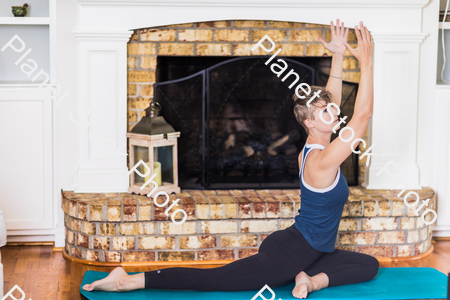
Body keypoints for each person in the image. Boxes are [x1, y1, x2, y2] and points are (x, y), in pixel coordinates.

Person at [82, 19, 378, 299]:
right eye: (325, 112)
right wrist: (366, 61)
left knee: (369, 266)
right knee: (214, 280)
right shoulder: (321, 161)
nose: (334, 112)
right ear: (311, 123)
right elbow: (362, 114)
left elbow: (333, 103)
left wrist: (338, 55)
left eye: (331, 109)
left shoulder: (319, 143)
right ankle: (126, 280)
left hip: (306, 246)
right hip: (291, 252)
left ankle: (310, 280)